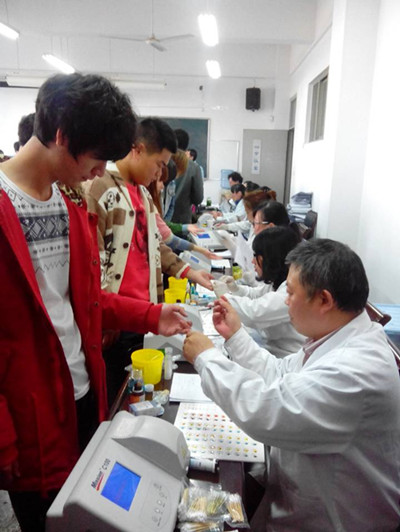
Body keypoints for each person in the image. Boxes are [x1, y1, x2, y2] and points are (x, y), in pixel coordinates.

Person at [0, 74, 191, 532]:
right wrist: (4, 440)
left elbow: (87, 302)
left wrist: (152, 314)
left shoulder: (69, 205)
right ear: (62, 135)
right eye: (97, 157)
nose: (100, 170)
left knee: (93, 513)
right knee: (49, 521)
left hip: (85, 392)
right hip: (31, 419)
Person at [184, 238, 400, 531]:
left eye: (290, 292)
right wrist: (235, 335)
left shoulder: (356, 371)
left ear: (324, 300)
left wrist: (206, 358)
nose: (285, 300)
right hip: (296, 494)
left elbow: (266, 411)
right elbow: (279, 373)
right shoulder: (335, 337)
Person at [84, 117, 212, 404]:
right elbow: (93, 261)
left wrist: (190, 272)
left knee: (139, 392)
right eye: (158, 164)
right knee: (115, 397)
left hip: (143, 314)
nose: (158, 174)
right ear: (137, 149)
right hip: (115, 318)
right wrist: (105, 316)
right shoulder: (101, 188)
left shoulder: (142, 193)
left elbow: (156, 245)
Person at [214, 227, 306, 357]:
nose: (252, 261)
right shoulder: (279, 281)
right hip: (273, 348)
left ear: (269, 259)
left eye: (255, 256)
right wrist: (236, 289)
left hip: (285, 355)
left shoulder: (290, 292)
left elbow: (254, 313)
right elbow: (257, 294)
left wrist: (225, 297)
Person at [171, 128, 204, 224]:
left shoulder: (162, 162)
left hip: (160, 219)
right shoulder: (194, 167)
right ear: (186, 146)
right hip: (182, 219)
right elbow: (198, 198)